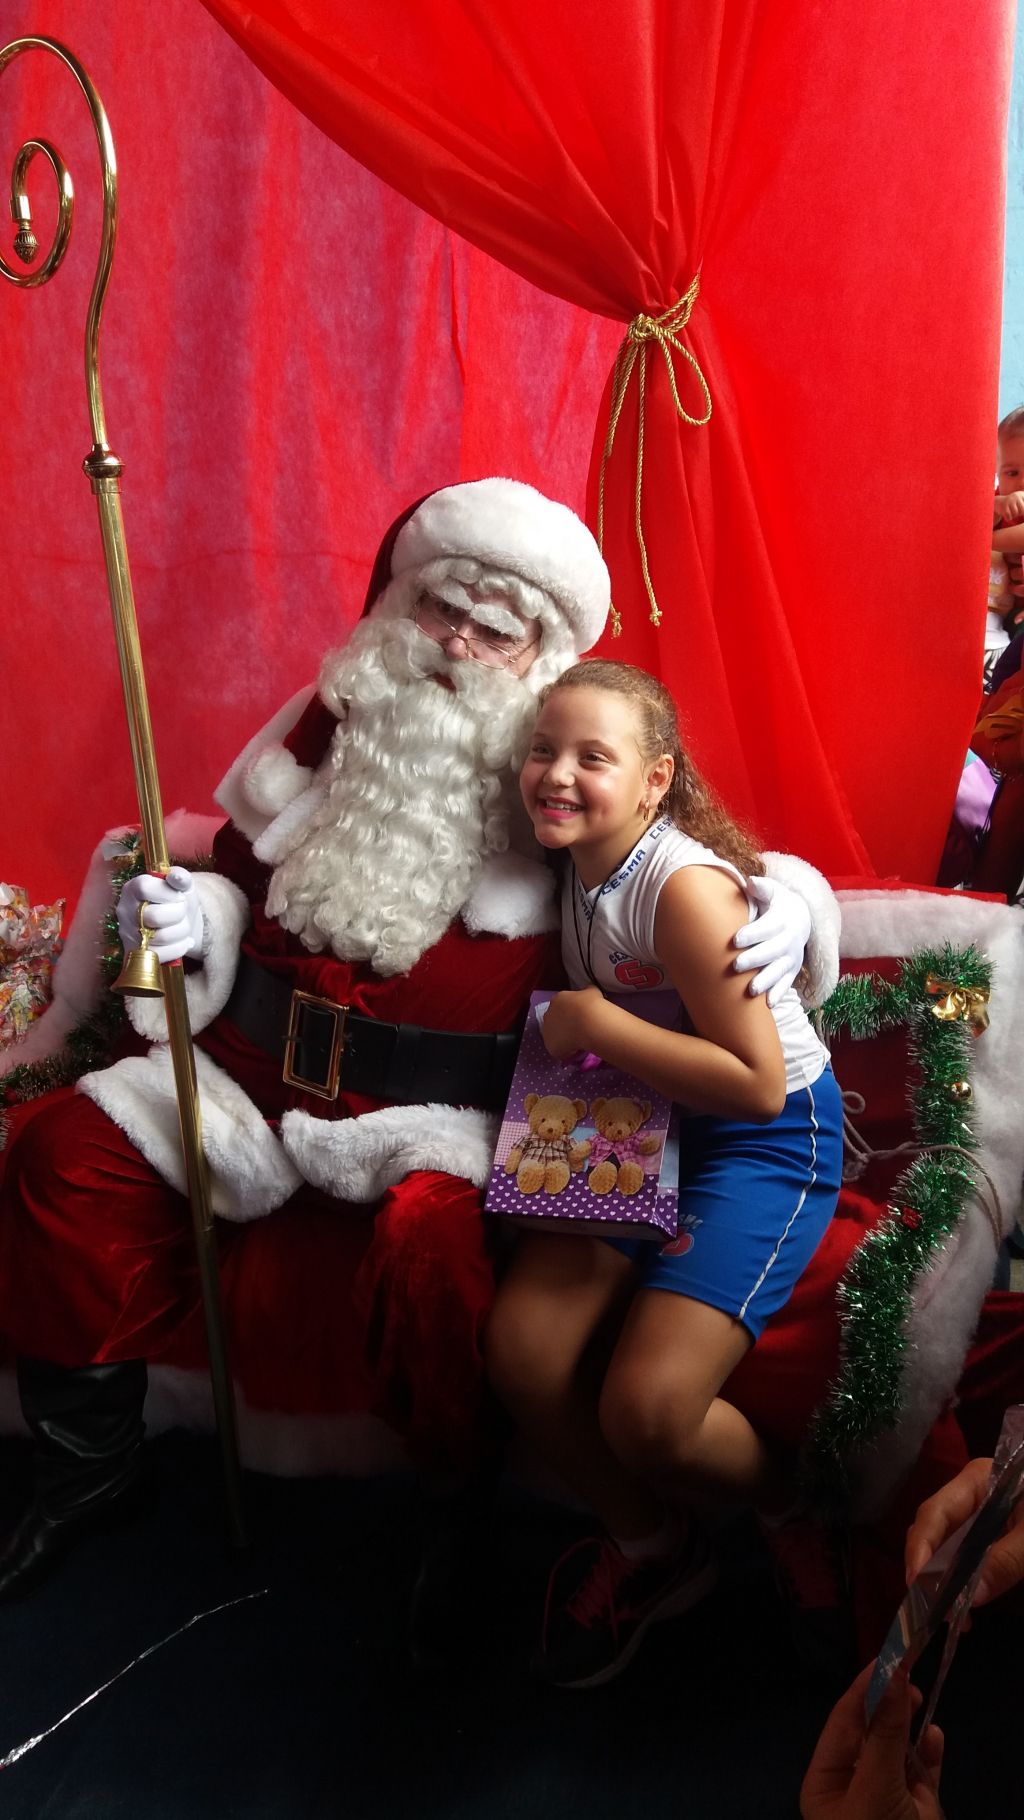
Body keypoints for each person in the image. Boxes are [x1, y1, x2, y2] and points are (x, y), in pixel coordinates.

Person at [0, 480, 834, 1601]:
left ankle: (456, 1511)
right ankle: (88, 1472)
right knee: (64, 1154)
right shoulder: (332, 720)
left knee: (434, 1255)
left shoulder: (562, 765)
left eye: (496, 631)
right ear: (402, 604)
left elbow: (690, 844)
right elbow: (237, 867)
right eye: (443, 609)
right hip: (249, 1078)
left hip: (437, 1120)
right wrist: (200, 916)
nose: (457, 645)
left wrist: (793, 906)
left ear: (540, 660)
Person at [485, 659, 844, 1688]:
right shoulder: (571, 857)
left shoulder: (680, 887)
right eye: (542, 749)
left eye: (592, 756)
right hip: (647, 1112)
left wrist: (595, 1023)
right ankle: (654, 1546)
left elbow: (759, 1086)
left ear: (655, 781)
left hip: (766, 1137)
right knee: (523, 1349)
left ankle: (791, 1510)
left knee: (646, 1411)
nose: (556, 774)